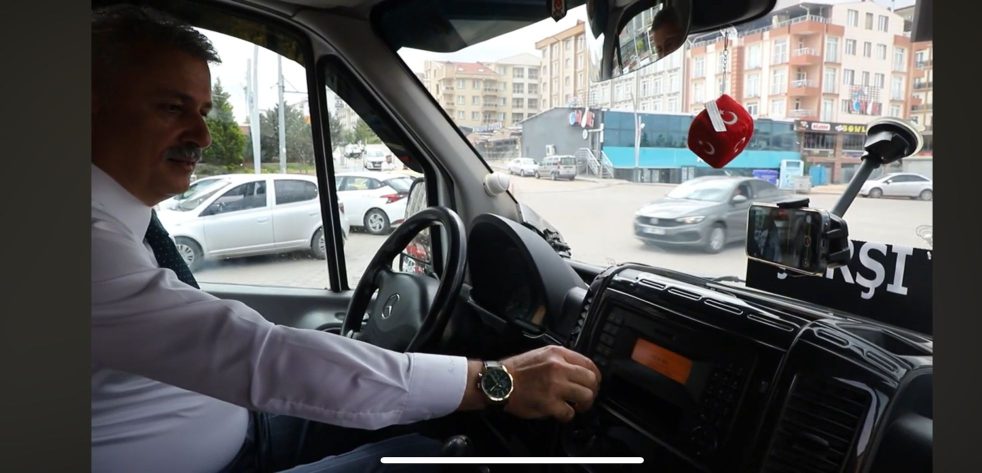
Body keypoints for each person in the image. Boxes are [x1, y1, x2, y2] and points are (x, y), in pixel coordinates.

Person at [91, 5, 601, 472]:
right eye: (172, 108)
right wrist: (496, 380)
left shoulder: (117, 220)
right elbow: (259, 355)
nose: (202, 136)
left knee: (432, 426)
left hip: (241, 423)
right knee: (438, 462)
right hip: (225, 455)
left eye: (203, 112)